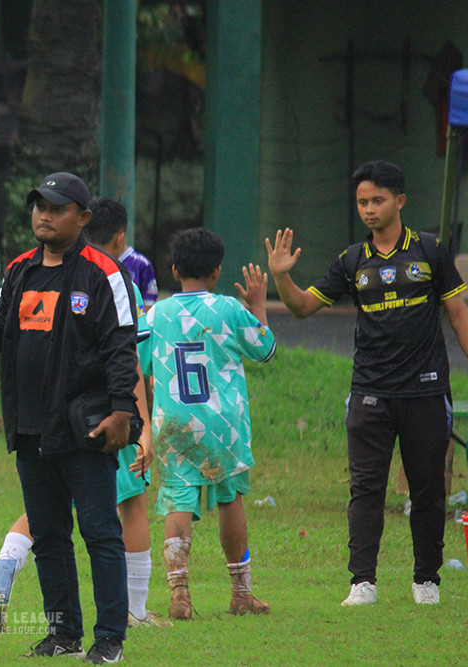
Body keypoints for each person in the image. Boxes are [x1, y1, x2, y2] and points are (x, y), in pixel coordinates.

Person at [0, 172, 147, 664]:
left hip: (85, 427)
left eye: (57, 208)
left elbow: (122, 349)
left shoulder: (104, 273)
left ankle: (109, 640)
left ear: (82, 218)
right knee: (49, 535)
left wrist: (124, 412)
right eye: (39, 204)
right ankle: (63, 633)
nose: (44, 214)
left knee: (101, 532)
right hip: (30, 425)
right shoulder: (20, 270)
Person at [266, 160, 468, 606]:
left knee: (427, 489)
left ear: (399, 201)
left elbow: (459, 316)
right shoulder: (350, 261)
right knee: (366, 488)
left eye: (377, 200)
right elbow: (302, 307)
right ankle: (362, 582)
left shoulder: (431, 252)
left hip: (425, 389)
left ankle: (426, 580)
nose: (368, 209)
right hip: (370, 391)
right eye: (362, 202)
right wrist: (282, 275)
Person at [132, 228, 275, 621]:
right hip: (224, 423)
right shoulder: (228, 309)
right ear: (216, 271)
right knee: (230, 498)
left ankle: (179, 595)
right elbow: (265, 348)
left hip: (174, 421)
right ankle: (241, 593)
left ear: (174, 269)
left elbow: (135, 365)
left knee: (178, 500)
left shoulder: (156, 314)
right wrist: (259, 304)